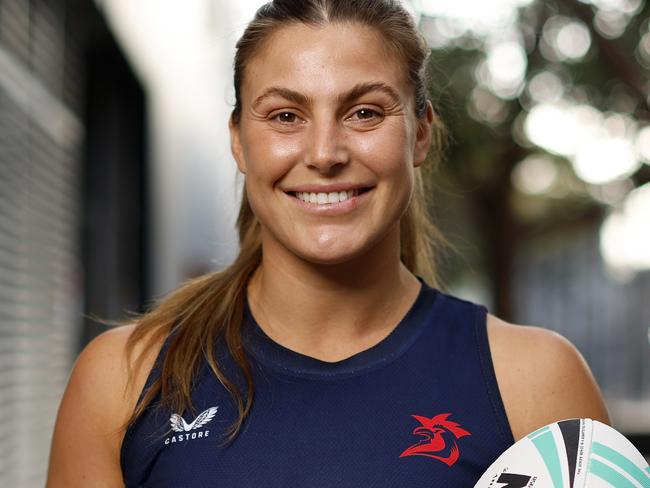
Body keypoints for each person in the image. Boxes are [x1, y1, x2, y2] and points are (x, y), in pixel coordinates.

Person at [46, 0, 610, 486]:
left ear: (419, 132)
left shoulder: (535, 380)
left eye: (364, 112)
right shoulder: (125, 379)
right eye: (286, 115)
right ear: (239, 142)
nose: (324, 152)